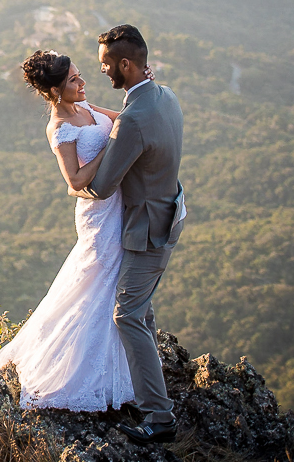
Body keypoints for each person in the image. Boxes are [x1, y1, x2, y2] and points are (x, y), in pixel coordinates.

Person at [0, 48, 140, 413]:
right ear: (56, 90)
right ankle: (83, 370)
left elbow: (123, 119)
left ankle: (116, 362)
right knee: (100, 281)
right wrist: (110, 153)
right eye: (74, 80)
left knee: (105, 281)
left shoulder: (86, 108)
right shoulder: (60, 127)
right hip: (96, 210)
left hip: (118, 203)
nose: (83, 82)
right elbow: (74, 180)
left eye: (79, 74)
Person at [68, 24, 186, 445]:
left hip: (147, 230)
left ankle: (160, 418)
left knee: (128, 315)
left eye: (104, 63)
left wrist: (71, 180)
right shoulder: (164, 95)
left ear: (123, 64)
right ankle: (143, 389)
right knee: (142, 310)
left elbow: (100, 187)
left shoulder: (133, 121)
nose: (100, 69)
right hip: (171, 212)